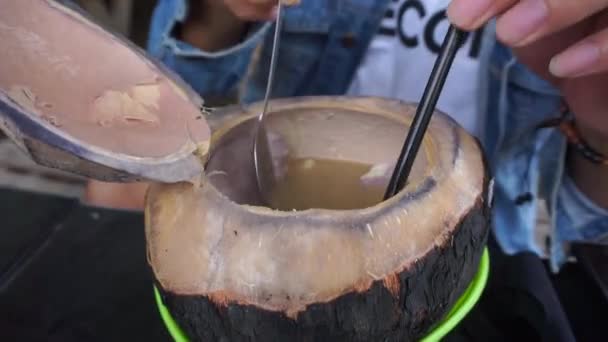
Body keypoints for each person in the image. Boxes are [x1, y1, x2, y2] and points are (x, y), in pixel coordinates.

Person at [85, 0, 608, 273]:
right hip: (252, 249)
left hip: (475, 266)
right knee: (109, 195)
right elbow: (153, 116)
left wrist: (599, 121)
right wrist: (215, 14)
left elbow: (574, 228)